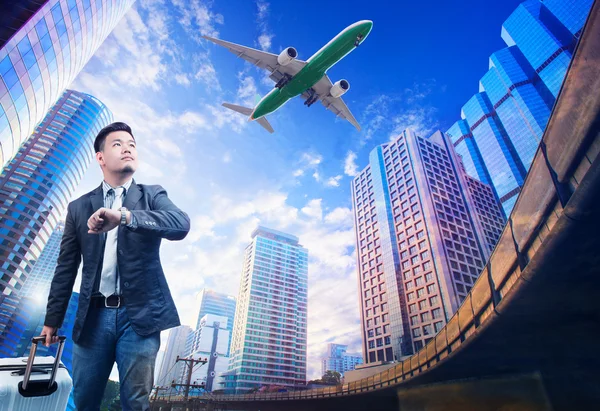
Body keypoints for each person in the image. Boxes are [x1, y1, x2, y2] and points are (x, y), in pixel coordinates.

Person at [42, 122, 190, 411]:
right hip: (93, 317)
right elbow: (65, 268)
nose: (128, 149)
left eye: (132, 144)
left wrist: (124, 216)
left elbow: (180, 224)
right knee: (84, 400)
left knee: (135, 404)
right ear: (100, 158)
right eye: (118, 144)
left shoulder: (151, 195)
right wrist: (52, 319)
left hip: (140, 319)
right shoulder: (78, 207)